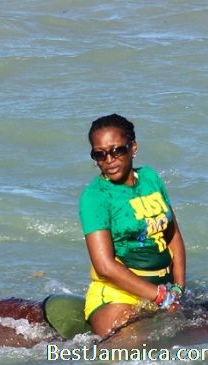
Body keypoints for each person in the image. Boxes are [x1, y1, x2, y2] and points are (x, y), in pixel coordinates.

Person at [79, 114, 186, 338]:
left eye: (117, 150)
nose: (109, 159)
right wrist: (160, 297)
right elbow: (105, 267)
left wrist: (178, 288)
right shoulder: (96, 196)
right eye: (100, 154)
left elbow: (173, 236)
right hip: (118, 296)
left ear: (133, 148)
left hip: (164, 292)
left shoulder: (150, 179)